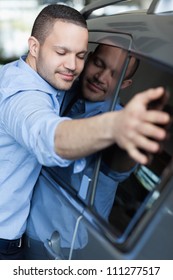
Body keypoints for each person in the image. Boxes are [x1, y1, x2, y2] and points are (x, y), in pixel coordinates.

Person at [0, 4, 170, 260]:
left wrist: (125, 129)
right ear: (34, 47)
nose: (72, 65)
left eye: (79, 55)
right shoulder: (28, 95)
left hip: (66, 245)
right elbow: (46, 135)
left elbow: (117, 166)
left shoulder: (34, 76)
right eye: (62, 52)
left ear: (126, 84)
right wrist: (115, 125)